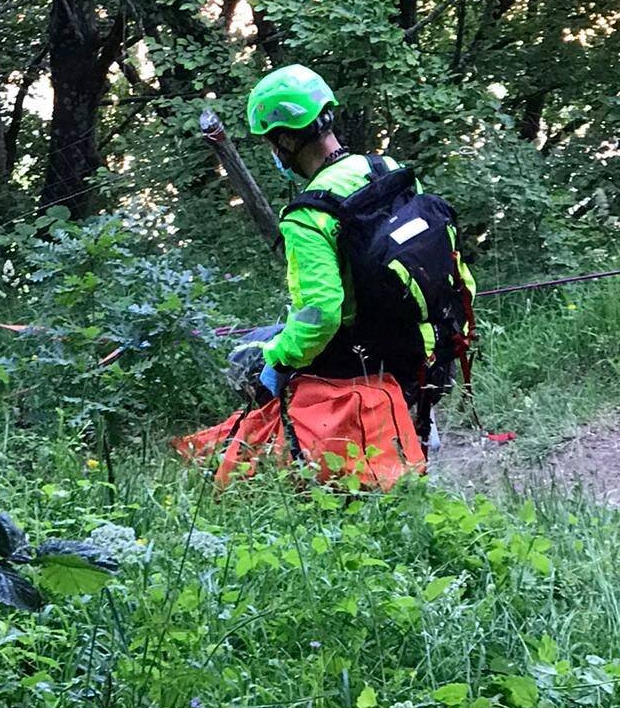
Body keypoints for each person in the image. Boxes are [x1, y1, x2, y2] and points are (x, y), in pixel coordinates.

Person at [185, 64, 476, 488]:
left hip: (365, 357)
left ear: (285, 139)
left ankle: (283, 463)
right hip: (430, 343)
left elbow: (320, 315)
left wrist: (276, 361)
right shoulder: (385, 169)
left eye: (271, 142)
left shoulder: (308, 215)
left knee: (246, 355)